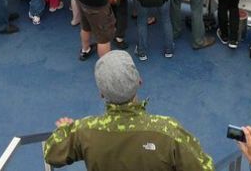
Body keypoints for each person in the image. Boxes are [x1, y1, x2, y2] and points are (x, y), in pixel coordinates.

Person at [43, 50, 214, 170]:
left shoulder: (83, 131)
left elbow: (51, 153)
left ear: (101, 93)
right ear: (139, 81)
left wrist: (65, 130)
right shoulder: (168, 131)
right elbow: (205, 168)